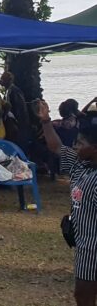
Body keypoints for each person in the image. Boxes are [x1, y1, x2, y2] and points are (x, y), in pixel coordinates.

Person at [39, 99, 97, 306]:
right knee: (82, 295)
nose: (75, 145)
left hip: (94, 247)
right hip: (85, 249)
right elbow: (56, 147)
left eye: (81, 143)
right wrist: (45, 121)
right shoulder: (80, 164)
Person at [1, 71, 33, 146]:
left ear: (10, 80)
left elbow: (19, 109)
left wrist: (15, 123)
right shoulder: (9, 91)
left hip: (18, 124)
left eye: (3, 79)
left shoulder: (14, 91)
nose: (0, 80)